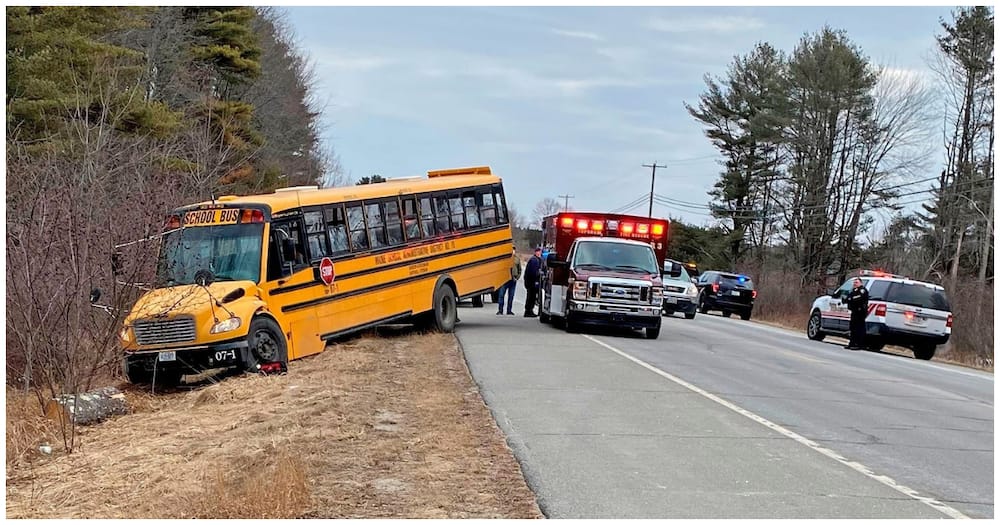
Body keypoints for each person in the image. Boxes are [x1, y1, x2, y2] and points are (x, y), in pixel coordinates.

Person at [844, 277, 869, 350]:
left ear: (861, 283)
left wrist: (850, 299)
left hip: (860, 312)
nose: (855, 284)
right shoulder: (853, 291)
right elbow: (848, 298)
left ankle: (858, 344)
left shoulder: (862, 290)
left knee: (859, 328)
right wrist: (848, 299)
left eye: (856, 282)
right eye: (854, 282)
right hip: (854, 311)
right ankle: (851, 343)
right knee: (852, 328)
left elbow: (857, 298)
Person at [497, 246, 521, 315]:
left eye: (514, 250)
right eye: (511, 250)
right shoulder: (504, 259)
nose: (513, 251)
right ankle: (500, 310)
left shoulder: (517, 259)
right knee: (501, 295)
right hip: (504, 280)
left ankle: (509, 310)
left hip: (513, 280)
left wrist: (517, 277)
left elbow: (519, 269)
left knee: (511, 296)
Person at [523, 247, 542, 317]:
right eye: (538, 252)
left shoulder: (535, 259)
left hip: (530, 282)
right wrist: (539, 273)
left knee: (531, 297)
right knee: (531, 297)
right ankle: (528, 311)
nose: (539, 253)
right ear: (536, 252)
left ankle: (529, 310)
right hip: (532, 282)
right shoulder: (534, 260)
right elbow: (533, 273)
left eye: (540, 252)